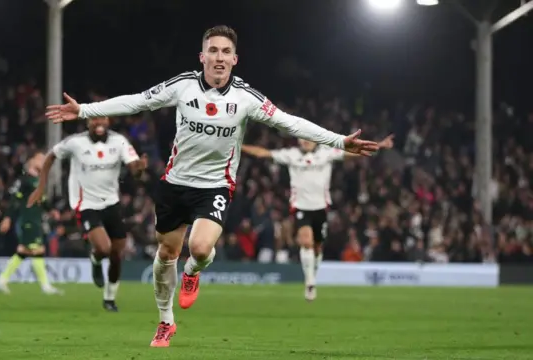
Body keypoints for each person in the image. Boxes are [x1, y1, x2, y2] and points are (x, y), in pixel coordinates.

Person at [45, 25, 380, 347]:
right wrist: (85, 110)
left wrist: (338, 141)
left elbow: (289, 123)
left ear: (235, 59)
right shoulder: (183, 86)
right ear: (201, 56)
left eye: (226, 52)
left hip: (215, 186)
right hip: (175, 184)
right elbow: (138, 101)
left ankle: (193, 271)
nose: (219, 57)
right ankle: (165, 321)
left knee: (201, 248)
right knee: (165, 254)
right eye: (213, 51)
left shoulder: (246, 98)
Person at [242, 135, 394, 300]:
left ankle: (312, 275)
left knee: (317, 247)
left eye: (308, 139)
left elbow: (352, 152)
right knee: (306, 241)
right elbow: (262, 153)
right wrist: (240, 145)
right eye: (302, 139)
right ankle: (310, 282)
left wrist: (379, 145)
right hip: (300, 207)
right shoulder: (291, 154)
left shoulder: (327, 153)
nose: (305, 142)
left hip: (320, 207)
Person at [28, 117, 147, 312]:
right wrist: (42, 187)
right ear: (87, 123)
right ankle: (96, 259)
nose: (99, 123)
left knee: (117, 254)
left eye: (102, 119)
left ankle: (109, 298)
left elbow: (134, 168)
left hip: (111, 203)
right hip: (86, 204)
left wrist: (139, 169)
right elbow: (50, 156)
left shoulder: (120, 141)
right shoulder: (75, 143)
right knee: (104, 247)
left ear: (108, 121)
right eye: (94, 119)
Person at [0, 152, 63, 295]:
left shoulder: (37, 180)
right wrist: (8, 218)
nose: (44, 162)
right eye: (41, 159)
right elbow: (14, 200)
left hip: (35, 219)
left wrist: (51, 210)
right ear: (32, 162)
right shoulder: (24, 180)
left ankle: (2, 281)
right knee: (37, 250)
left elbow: (41, 200)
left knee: (23, 252)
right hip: (28, 220)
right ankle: (45, 286)